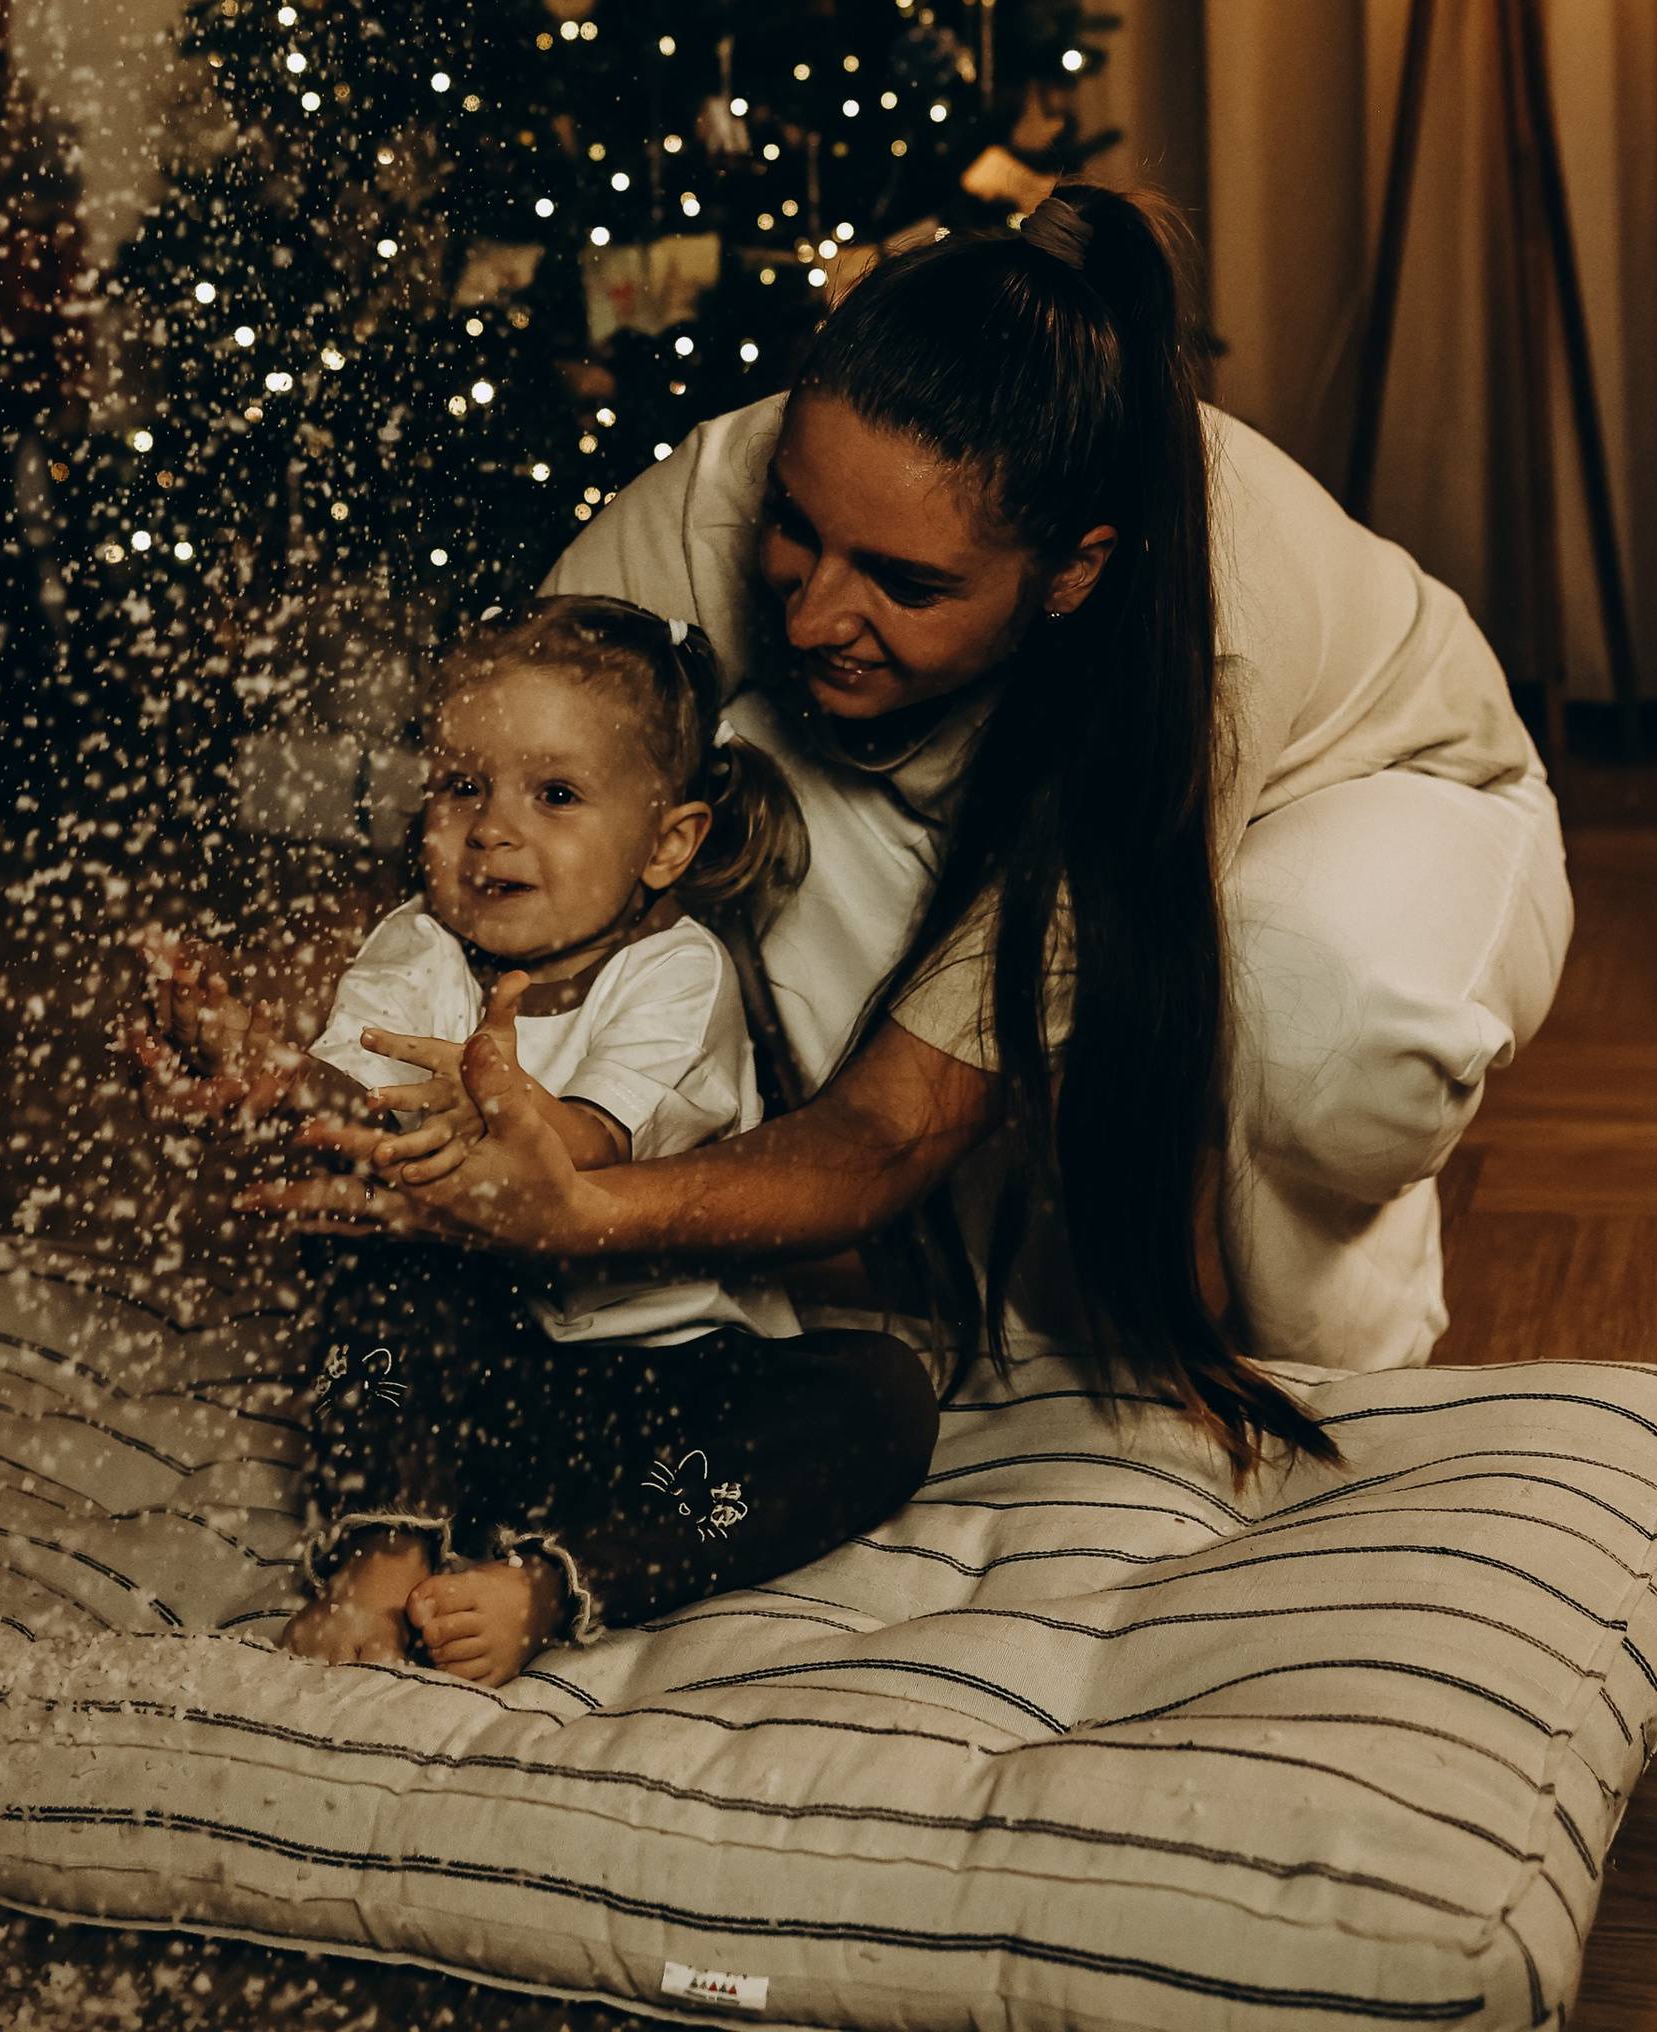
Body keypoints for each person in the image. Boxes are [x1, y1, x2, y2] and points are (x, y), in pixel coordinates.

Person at [277, 187, 1571, 1451]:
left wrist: (584, 1214)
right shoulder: (721, 493)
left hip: (1381, 791)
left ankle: (1351, 1379)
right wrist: (309, 1061)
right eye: (800, 530)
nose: (811, 615)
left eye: (904, 583)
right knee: (704, 788)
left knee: (1309, 1026)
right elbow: (504, 820)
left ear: (1072, 573)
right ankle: (992, 1362)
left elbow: (893, 1127)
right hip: (990, 786)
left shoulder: (1206, 657)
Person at [145, 597, 938, 1683]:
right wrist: (273, 1075)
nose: (492, 829)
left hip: (653, 1398)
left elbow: (586, 1148)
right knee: (382, 1250)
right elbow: (358, 1118)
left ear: (666, 843)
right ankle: (383, 1551)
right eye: (461, 786)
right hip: (463, 1395)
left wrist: (490, 1114)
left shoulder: (676, 972)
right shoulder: (416, 946)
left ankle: (552, 1582)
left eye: (554, 795)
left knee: (882, 1396)